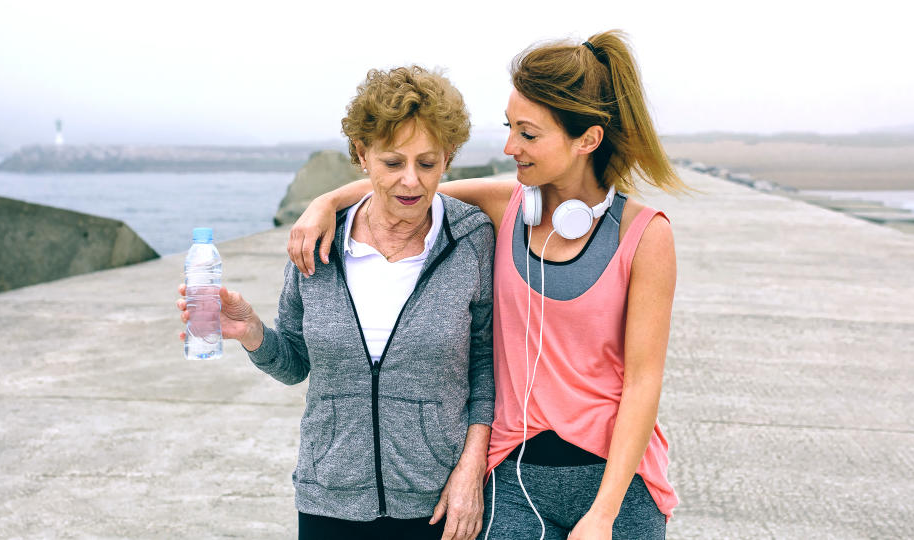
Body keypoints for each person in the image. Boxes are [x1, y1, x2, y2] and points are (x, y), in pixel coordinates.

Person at [288, 30, 684, 539]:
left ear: (587, 139)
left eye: (528, 133)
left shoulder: (645, 234)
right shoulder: (506, 205)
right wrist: (325, 203)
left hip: (616, 484)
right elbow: (409, 184)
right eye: (509, 127)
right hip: (514, 479)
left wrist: (604, 514)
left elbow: (643, 381)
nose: (508, 146)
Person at [177, 65, 496, 540]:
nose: (411, 182)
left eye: (427, 164)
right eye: (393, 163)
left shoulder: (471, 241)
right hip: (329, 497)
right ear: (362, 155)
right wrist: (252, 332)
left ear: (448, 158)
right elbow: (294, 364)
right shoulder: (317, 242)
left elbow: (487, 368)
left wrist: (472, 472)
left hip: (438, 503)